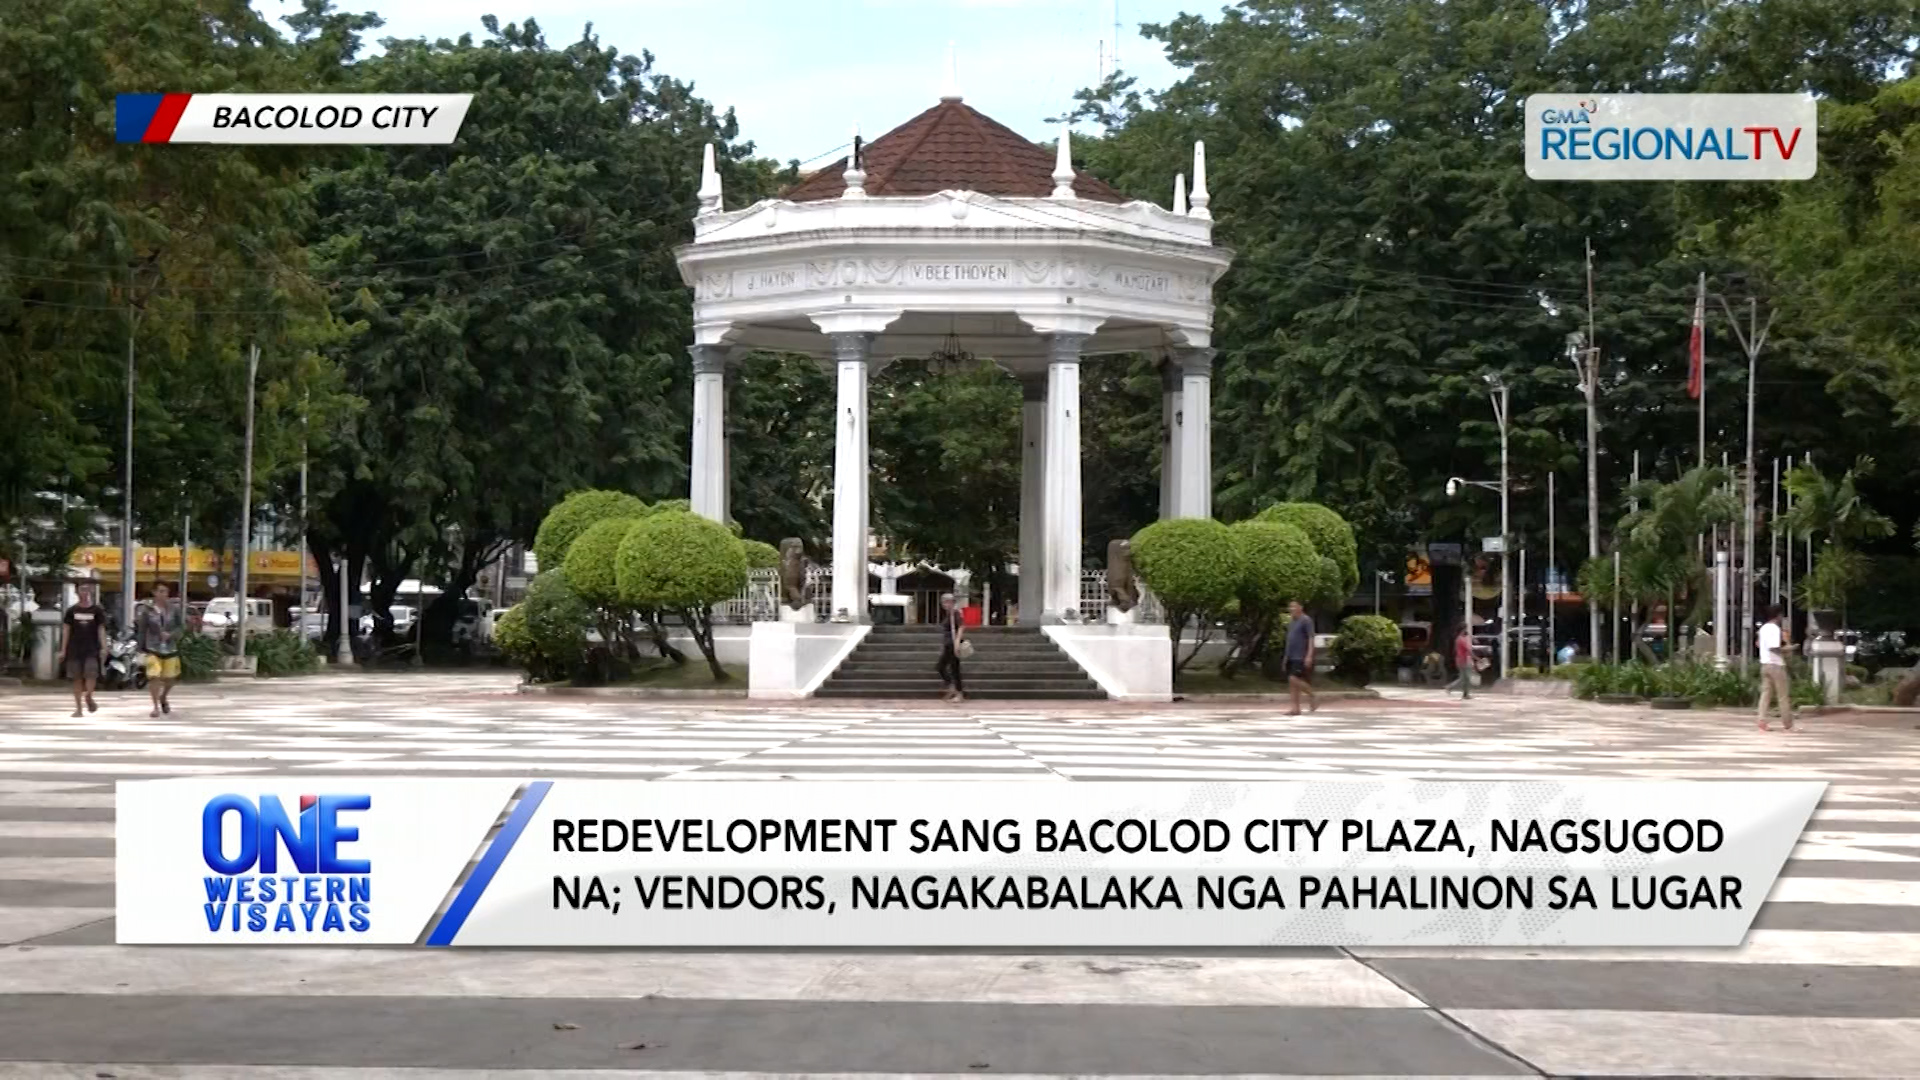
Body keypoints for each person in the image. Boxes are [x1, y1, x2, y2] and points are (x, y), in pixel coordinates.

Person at [138, 582, 185, 717]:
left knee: (170, 678)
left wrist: (171, 635)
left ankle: (163, 696)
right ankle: (155, 707)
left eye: (166, 592)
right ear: (154, 592)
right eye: (161, 591)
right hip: (153, 647)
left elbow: (181, 627)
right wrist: (140, 648)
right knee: (155, 676)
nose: (164, 594)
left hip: (170, 647)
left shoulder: (173, 609)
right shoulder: (147, 610)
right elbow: (142, 630)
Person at [61, 583, 108, 717]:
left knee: (91, 674)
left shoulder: (97, 611)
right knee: (76, 678)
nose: (85, 592)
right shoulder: (71, 611)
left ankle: (88, 696)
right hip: (74, 648)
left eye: (88, 589)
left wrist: (104, 647)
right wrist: (63, 650)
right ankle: (78, 708)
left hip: (92, 648)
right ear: (77, 592)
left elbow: (101, 629)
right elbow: (66, 630)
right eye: (82, 589)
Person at [1756, 604, 1795, 732]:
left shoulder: (1763, 629)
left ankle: (1761, 720)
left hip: (1765, 664)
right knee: (1783, 695)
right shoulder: (1774, 629)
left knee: (1765, 694)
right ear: (1778, 615)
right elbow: (1774, 648)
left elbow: (1758, 644)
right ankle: (1788, 724)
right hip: (1776, 665)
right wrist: (1788, 648)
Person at [1283, 600, 1317, 715]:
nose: (1291, 609)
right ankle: (1295, 708)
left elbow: (1311, 638)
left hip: (1301, 655)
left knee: (1294, 678)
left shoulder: (1306, 620)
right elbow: (1289, 640)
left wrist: (1309, 655)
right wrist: (1286, 657)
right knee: (1291, 682)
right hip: (1291, 655)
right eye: (1290, 606)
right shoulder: (1292, 622)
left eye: (1294, 606)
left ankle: (1312, 695)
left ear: (1300, 607)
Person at [935, 592, 966, 704]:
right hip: (949, 644)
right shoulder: (950, 613)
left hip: (953, 644)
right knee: (947, 667)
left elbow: (961, 627)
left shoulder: (955, 613)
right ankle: (955, 690)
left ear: (950, 602)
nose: (944, 604)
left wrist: (957, 643)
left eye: (945, 602)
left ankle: (957, 691)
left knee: (951, 668)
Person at [1447, 622, 1475, 699]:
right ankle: (1450, 687)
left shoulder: (1459, 638)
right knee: (1464, 678)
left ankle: (1465, 694)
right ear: (1463, 629)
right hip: (1462, 660)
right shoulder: (1461, 639)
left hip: (1461, 660)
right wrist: (1476, 658)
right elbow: (1468, 650)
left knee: (1465, 678)